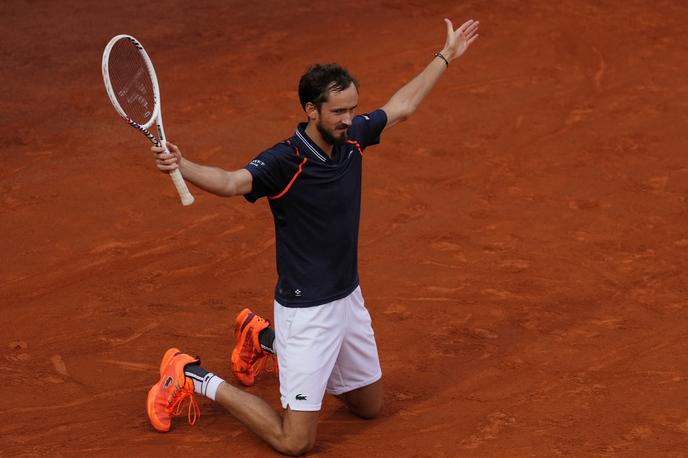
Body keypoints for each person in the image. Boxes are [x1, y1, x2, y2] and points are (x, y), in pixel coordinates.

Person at [146, 18, 479, 456]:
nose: (348, 119)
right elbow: (230, 182)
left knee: (369, 406)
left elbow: (401, 108)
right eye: (338, 112)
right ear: (311, 110)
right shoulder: (285, 161)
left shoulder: (354, 138)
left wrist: (445, 56)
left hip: (348, 299)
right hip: (306, 313)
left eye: (352, 109)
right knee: (295, 442)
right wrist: (182, 165)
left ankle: (261, 341)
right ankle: (193, 376)